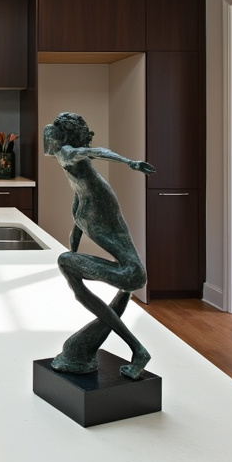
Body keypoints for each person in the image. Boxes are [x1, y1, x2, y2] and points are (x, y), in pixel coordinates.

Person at [42, 112, 155, 380]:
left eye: (53, 133)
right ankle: (135, 349)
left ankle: (138, 349)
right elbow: (79, 199)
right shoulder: (70, 168)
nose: (48, 138)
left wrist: (130, 163)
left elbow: (96, 151)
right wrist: (75, 237)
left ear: (64, 135)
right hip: (127, 272)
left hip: (130, 274)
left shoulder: (69, 153)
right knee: (74, 276)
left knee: (65, 262)